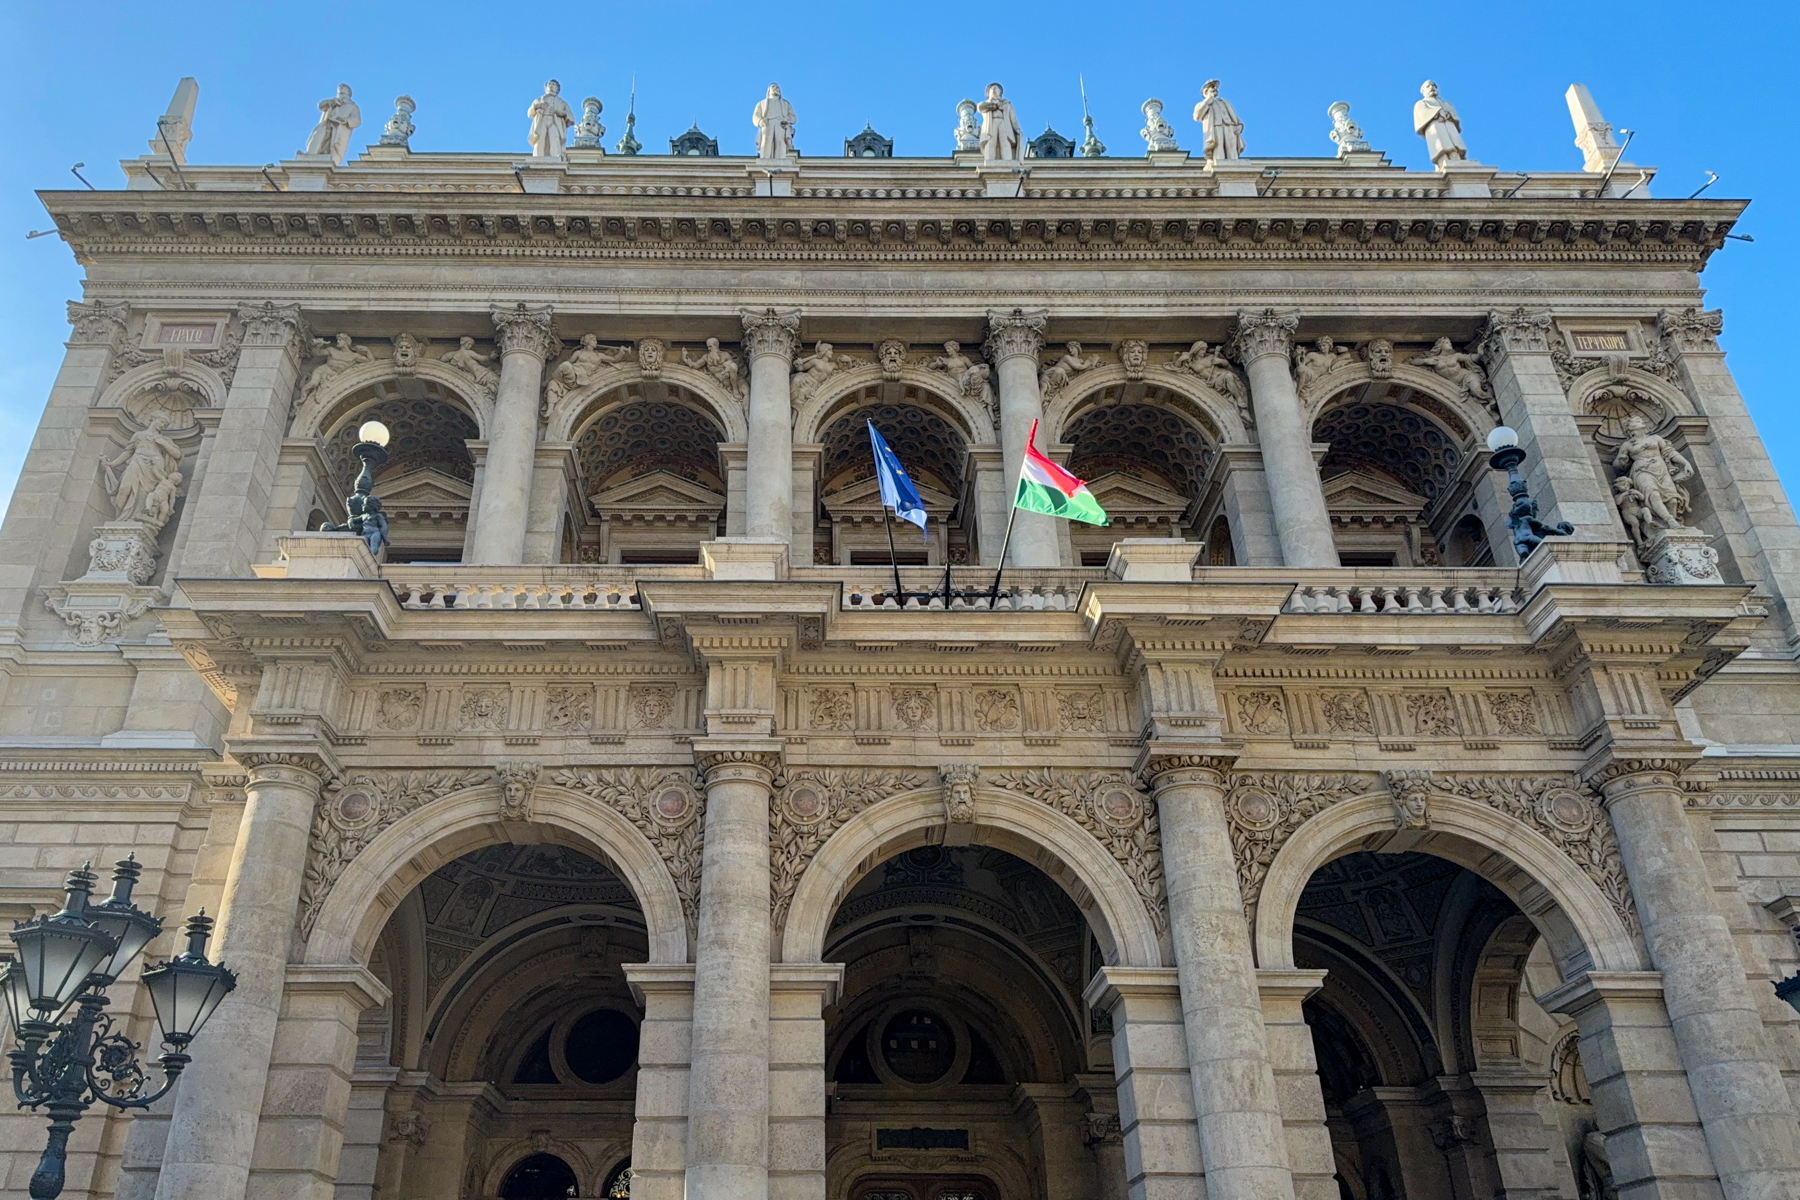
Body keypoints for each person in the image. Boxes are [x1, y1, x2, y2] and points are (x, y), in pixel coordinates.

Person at [977, 83, 1022, 164]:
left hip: (1004, 123)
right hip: (990, 124)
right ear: (988, 93)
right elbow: (980, 107)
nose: (994, 89)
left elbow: (1013, 119)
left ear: (1000, 92)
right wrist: (995, 106)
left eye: (996, 88)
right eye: (991, 89)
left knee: (1005, 142)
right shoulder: (985, 103)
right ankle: (989, 161)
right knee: (990, 142)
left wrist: (1017, 129)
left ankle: (1007, 161)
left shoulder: (1007, 104)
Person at [528, 80, 575, 158]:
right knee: (539, 139)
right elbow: (529, 113)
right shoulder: (539, 100)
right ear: (546, 88)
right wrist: (537, 106)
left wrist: (561, 112)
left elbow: (571, 117)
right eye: (549, 84)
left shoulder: (562, 102)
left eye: (553, 84)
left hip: (554, 121)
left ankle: (556, 157)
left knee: (555, 139)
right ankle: (538, 157)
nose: (551, 86)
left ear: (557, 89)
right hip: (541, 121)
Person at [752, 83, 797, 161]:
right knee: (766, 140)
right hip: (767, 123)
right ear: (769, 91)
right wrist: (760, 121)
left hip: (780, 124)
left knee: (780, 141)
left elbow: (793, 117)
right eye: (773, 87)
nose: (776, 89)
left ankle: (781, 160)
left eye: (778, 88)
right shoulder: (762, 103)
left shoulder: (785, 103)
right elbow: (755, 116)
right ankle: (764, 159)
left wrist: (787, 120)